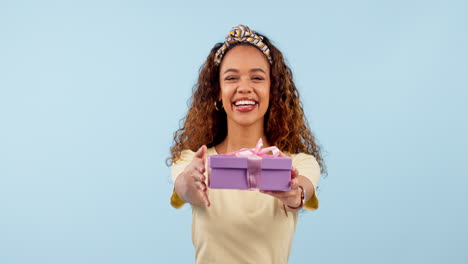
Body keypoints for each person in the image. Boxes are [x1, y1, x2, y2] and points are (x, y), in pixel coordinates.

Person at [167, 25, 325, 264]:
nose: (244, 87)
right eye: (231, 78)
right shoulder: (193, 161)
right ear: (218, 92)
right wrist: (190, 185)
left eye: (257, 77)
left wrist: (294, 193)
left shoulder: (299, 163)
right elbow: (185, 188)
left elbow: (301, 191)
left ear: (272, 90)